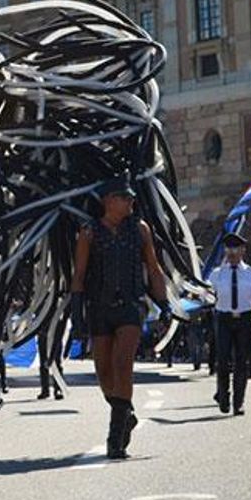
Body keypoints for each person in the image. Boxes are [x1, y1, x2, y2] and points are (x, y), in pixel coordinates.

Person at [70, 174, 170, 459]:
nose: (131, 201)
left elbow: (153, 268)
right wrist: (77, 316)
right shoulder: (89, 233)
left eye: (131, 197)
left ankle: (116, 438)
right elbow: (79, 275)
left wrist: (163, 303)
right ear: (108, 201)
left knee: (122, 361)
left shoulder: (140, 230)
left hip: (131, 305)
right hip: (99, 307)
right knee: (103, 370)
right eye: (124, 197)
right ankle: (125, 412)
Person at [208, 231, 251, 414]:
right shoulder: (217, 274)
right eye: (228, 249)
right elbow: (207, 295)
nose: (231, 252)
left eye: (235, 248)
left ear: (243, 251)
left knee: (242, 361)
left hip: (244, 319)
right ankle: (223, 396)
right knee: (223, 360)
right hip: (223, 318)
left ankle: (238, 401)